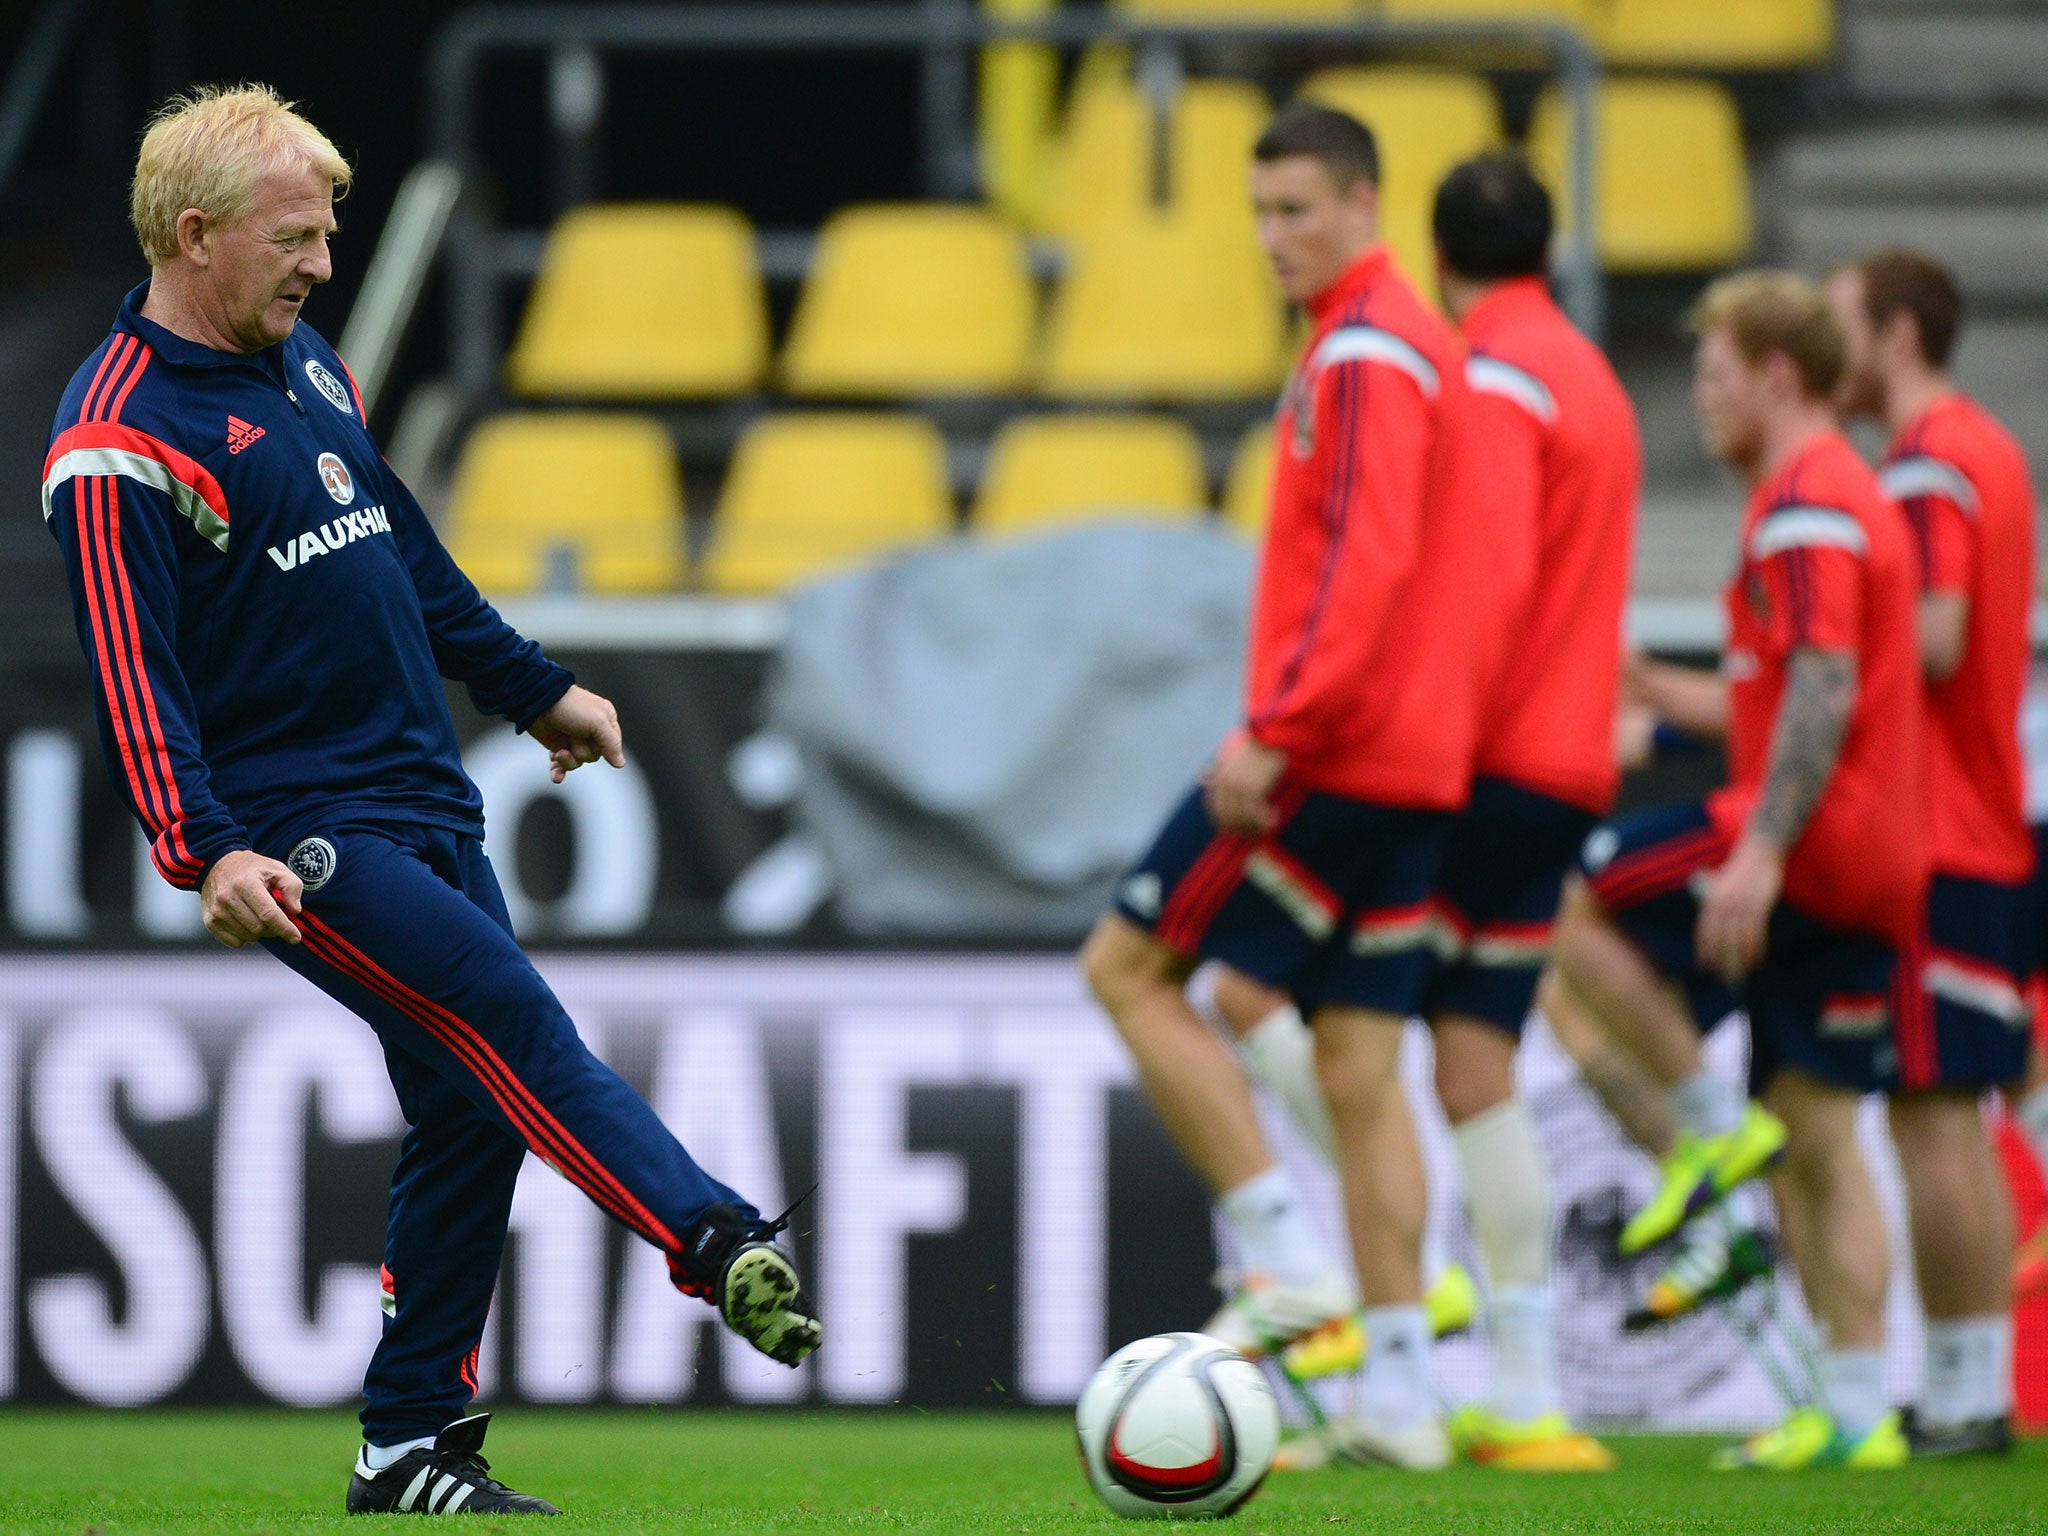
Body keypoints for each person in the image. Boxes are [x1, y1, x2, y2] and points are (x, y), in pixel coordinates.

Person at [44, 85, 819, 1516]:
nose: (323, 265)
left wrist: (532, 688)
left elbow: (401, 540)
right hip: (304, 835)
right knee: (505, 1013)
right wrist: (201, 846)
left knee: (469, 1112)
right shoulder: (116, 441)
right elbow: (129, 677)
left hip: (427, 800)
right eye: (298, 237)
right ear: (198, 234)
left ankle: (408, 1447)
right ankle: (712, 1238)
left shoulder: (304, 362)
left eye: (331, 237)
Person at [1082, 100, 1484, 1471]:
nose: (1275, 238)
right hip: (1423, 762)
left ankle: (1284, 1261)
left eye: (1299, 209)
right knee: (1364, 1069)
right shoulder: (1417, 346)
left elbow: (1364, 571)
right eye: (1260, 212)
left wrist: (1278, 726)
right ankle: (1407, 1401)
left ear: (1366, 203)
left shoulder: (1367, 353)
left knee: (1127, 969)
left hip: (1335, 753)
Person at [1220, 153, 1635, 1473]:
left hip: (1476, 757)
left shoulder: (1492, 373)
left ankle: (1385, 1295)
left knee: (1282, 1011)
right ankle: (1523, 1389)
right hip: (1566, 763)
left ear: (1438, 251)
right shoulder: (1594, 376)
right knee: (1478, 1070)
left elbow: (1483, 576)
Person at [1551, 271, 1922, 1471]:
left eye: (1710, 376)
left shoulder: (1807, 503)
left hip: (1814, 841)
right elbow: (1783, 692)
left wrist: (1757, 851)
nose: (1698, 401)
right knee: (1812, 1127)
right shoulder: (1830, 496)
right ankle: (1855, 1408)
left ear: (1773, 375)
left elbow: (1822, 683)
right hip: (1867, 852)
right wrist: (1660, 698)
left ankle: (1699, 1133)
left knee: (1557, 898)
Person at [1827, 250, 2036, 1457]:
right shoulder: (1986, 447)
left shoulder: (1923, 467)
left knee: (1932, 1112)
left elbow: (1939, 636)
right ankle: (1966, 1383)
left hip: (1941, 830)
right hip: (1984, 819)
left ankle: (1965, 1391)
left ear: (1896, 332)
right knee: (1943, 1106)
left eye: (1843, 323)